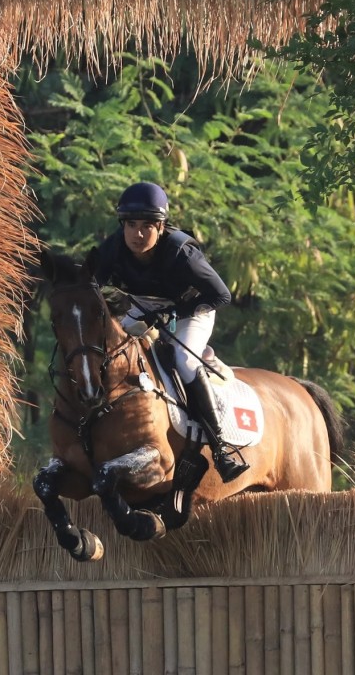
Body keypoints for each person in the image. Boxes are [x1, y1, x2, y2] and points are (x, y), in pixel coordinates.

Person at [94, 182, 250, 483]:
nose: (137, 234)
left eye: (147, 227)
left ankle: (221, 449)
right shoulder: (112, 248)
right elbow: (92, 287)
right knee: (111, 353)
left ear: (161, 226)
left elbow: (221, 295)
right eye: (131, 225)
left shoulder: (182, 252)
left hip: (191, 310)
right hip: (141, 308)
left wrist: (175, 312)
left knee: (183, 361)